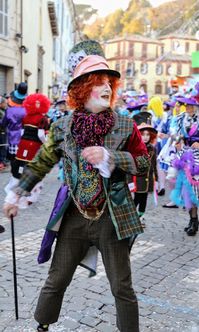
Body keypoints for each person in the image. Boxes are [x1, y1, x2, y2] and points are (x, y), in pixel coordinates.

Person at [3, 40, 150, 332]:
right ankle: (42, 325)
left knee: (122, 285)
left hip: (112, 217)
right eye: (99, 83)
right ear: (81, 91)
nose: (107, 89)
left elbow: (144, 164)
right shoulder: (62, 128)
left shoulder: (125, 126)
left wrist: (112, 157)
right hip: (74, 217)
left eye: (109, 83)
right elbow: (41, 163)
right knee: (57, 278)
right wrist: (16, 195)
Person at [169, 95, 199, 236]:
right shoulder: (181, 119)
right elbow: (174, 133)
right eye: (187, 105)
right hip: (186, 158)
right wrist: (178, 141)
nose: (188, 108)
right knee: (188, 192)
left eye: (191, 105)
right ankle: (193, 220)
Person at [2, 82, 27, 192]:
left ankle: (15, 181)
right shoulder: (27, 110)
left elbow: (3, 124)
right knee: (23, 162)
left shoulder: (9, 110)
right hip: (25, 140)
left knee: (14, 162)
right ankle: (22, 182)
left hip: (13, 140)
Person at [133, 123, 158, 226]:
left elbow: (154, 164)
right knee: (137, 198)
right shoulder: (135, 148)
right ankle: (132, 217)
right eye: (143, 134)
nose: (145, 137)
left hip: (148, 178)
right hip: (137, 179)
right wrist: (129, 181)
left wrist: (156, 178)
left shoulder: (152, 148)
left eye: (148, 135)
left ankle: (140, 216)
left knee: (144, 198)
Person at [0, 96, 8, 171]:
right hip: (2, 132)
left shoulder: (3, 110)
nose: (6, 104)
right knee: (2, 147)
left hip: (3, 131)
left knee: (3, 147)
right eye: (4, 103)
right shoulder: (1, 112)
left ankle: (2, 161)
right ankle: (1, 162)